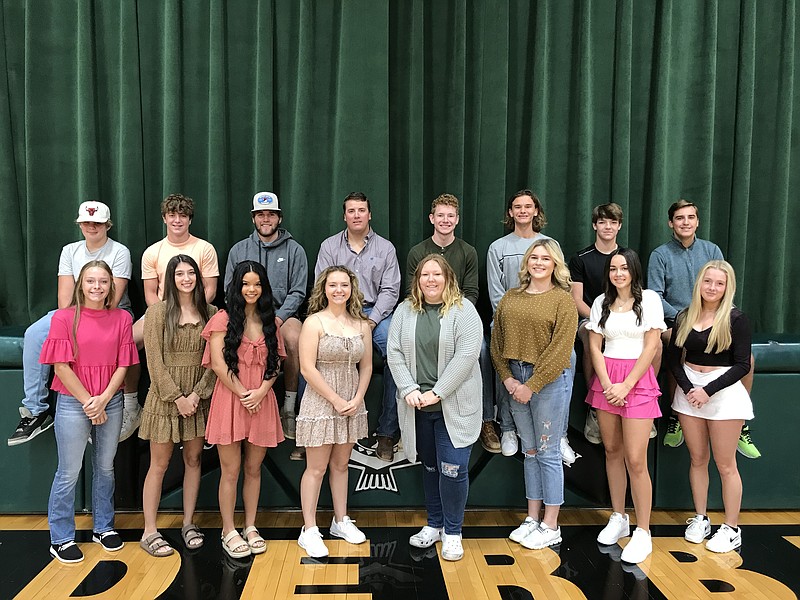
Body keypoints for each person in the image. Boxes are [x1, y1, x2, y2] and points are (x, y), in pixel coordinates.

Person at [8, 201, 132, 446]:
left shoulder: (119, 251)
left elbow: (111, 300)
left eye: (97, 223)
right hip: (73, 311)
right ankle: (36, 410)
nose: (91, 227)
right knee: (35, 333)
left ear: (107, 225)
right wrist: (72, 324)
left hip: (110, 312)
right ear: (79, 224)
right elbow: (64, 301)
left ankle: (110, 406)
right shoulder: (70, 250)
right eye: (86, 222)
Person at [40, 260, 138, 563]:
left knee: (106, 467)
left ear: (111, 286)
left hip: (111, 398)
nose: (97, 287)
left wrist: (104, 397)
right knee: (69, 472)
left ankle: (103, 527)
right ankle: (61, 537)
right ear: (81, 284)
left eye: (103, 282)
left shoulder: (122, 318)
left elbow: (124, 363)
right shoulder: (63, 318)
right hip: (73, 401)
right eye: (91, 281)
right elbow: (60, 366)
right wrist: (88, 402)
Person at [388, 255, 483, 562]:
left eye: (437, 274)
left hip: (453, 406)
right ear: (417, 280)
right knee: (430, 467)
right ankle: (435, 524)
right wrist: (409, 389)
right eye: (425, 274)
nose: (431, 279)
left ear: (448, 278)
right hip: (417, 405)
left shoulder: (464, 310)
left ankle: (453, 532)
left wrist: (438, 393)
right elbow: (394, 352)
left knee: (452, 470)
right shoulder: (405, 310)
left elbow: (467, 356)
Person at [648, 200, 759, 458]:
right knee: (681, 349)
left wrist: (710, 320)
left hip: (716, 320)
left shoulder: (711, 250)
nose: (685, 222)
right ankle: (678, 414)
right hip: (676, 321)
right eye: (679, 218)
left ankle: (741, 422)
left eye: (690, 217)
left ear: (697, 221)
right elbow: (655, 295)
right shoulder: (660, 255)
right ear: (670, 223)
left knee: (748, 359)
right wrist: (687, 320)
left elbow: (724, 285)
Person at [491, 239, 578, 550]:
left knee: (548, 452)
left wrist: (532, 385)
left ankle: (551, 524)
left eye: (545, 258)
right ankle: (532, 518)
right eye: (534, 257)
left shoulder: (562, 300)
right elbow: (497, 343)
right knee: (529, 451)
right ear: (526, 262)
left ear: (555, 265)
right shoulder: (510, 298)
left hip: (549, 381)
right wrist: (509, 379)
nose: (539, 263)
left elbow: (561, 350)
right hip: (516, 378)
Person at [585, 249, 665, 564]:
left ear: (634, 270)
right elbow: (594, 345)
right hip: (607, 381)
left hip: (637, 381)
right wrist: (607, 385)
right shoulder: (600, 303)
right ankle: (619, 517)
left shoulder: (649, 300)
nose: (619, 273)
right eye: (613, 268)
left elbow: (652, 345)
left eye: (624, 268)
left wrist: (627, 385)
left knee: (636, 459)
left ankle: (643, 531)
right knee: (612, 452)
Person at [487, 190, 577, 465]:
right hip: (508, 317)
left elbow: (561, 289)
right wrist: (516, 315)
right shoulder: (497, 247)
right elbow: (496, 293)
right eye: (517, 207)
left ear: (536, 211)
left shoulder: (550, 244)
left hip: (545, 320)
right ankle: (507, 427)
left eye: (528, 206)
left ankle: (559, 433)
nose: (523, 211)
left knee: (569, 357)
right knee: (499, 355)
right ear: (510, 213)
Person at [668, 261, 753, 553]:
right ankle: (701, 518)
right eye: (708, 282)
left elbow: (743, 364)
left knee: (726, 464)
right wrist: (690, 389)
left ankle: (731, 528)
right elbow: (672, 360)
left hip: (723, 392)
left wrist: (708, 391)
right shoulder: (683, 316)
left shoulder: (736, 319)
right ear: (699, 284)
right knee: (697, 458)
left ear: (727, 287)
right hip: (689, 390)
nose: (712, 288)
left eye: (719, 283)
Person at [202, 261, 285, 559]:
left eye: (257, 284)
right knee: (230, 470)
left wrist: (261, 392)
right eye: (245, 284)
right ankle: (228, 529)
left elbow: (277, 364)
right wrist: (242, 393)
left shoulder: (271, 322)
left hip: (261, 401)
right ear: (236, 287)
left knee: (253, 469)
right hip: (230, 400)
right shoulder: (222, 320)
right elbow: (218, 364)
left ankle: (250, 526)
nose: (251, 289)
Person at [139, 255, 217, 557]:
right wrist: (177, 397)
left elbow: (215, 360)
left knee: (194, 461)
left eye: (191, 273)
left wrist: (198, 394)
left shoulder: (211, 312)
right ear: (169, 278)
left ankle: (188, 522)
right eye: (179, 274)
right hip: (165, 399)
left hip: (197, 400)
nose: (186, 279)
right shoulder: (157, 313)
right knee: (158, 464)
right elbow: (154, 363)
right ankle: (149, 530)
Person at [406, 194, 496, 453]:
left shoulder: (467, 252)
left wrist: (452, 318)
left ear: (457, 220)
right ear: (431, 219)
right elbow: (411, 291)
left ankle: (486, 420)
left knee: (480, 351)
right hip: (423, 316)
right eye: (440, 215)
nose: (445, 220)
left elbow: (471, 292)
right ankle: (394, 428)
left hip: (458, 316)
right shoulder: (417, 252)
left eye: (450, 216)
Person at [315, 192, 400, 461]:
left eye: (361, 210)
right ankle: (310, 427)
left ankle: (387, 432)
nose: (356, 215)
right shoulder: (329, 246)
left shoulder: (385, 248)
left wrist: (371, 321)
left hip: (376, 314)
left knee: (397, 355)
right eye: (351, 211)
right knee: (313, 351)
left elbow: (390, 289)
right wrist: (343, 317)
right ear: (344, 216)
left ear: (370, 214)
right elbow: (322, 285)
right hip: (338, 311)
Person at [296, 266, 372, 558]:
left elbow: (365, 366)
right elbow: (306, 368)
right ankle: (310, 529)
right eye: (333, 285)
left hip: (352, 400)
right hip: (321, 400)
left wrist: (357, 398)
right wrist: (335, 400)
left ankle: (341, 521)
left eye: (344, 285)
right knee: (315, 468)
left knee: (341, 466)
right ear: (324, 289)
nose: (339, 290)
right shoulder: (313, 323)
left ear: (352, 288)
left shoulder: (362, 324)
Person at [131, 193, 220, 441]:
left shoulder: (204, 248)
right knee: (127, 343)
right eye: (172, 215)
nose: (177, 220)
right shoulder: (152, 252)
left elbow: (210, 289)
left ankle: (207, 410)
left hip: (198, 311)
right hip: (161, 311)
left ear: (190, 219)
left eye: (182, 215)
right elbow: (150, 293)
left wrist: (189, 310)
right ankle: (129, 404)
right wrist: (164, 316)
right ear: (164, 218)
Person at [225, 192, 308, 442]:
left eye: (271, 214)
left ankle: (289, 407)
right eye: (261, 214)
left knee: (294, 339)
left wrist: (278, 318)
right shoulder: (239, 249)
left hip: (284, 315)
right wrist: (248, 317)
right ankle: (234, 403)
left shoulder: (295, 250)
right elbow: (230, 291)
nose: (266, 219)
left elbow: (299, 291)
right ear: (253, 218)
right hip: (246, 315)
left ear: (279, 217)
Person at [568, 203, 625, 445]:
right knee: (592, 336)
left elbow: (634, 294)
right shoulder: (580, 258)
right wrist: (600, 319)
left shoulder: (627, 257)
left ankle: (641, 405)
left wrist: (618, 319)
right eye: (602, 222)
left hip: (624, 318)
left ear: (619, 226)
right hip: (589, 318)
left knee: (653, 343)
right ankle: (595, 403)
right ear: (594, 225)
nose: (608, 226)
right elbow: (576, 300)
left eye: (613, 222)